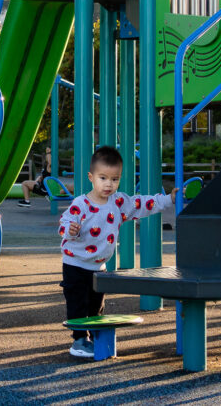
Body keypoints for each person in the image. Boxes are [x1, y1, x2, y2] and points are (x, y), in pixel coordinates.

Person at [58, 146, 177, 359]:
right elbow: (65, 222)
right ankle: (78, 340)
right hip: (75, 264)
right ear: (91, 177)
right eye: (103, 178)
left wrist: (168, 199)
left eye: (114, 179)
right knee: (77, 301)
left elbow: (142, 204)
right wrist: (70, 229)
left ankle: (95, 335)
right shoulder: (81, 204)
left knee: (96, 303)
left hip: (99, 265)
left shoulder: (119, 202)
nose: (108, 184)